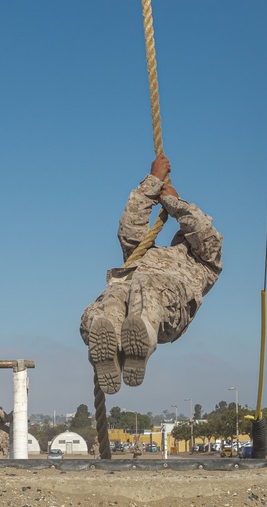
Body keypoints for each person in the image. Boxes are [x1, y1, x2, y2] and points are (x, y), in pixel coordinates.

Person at [80, 152, 223, 394]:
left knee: (145, 285)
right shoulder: (148, 253)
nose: (183, 233)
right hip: (131, 296)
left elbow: (206, 236)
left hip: (166, 310)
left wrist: (177, 205)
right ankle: (109, 351)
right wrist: (153, 181)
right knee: (112, 296)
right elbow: (130, 228)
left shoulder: (206, 263)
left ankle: (141, 338)